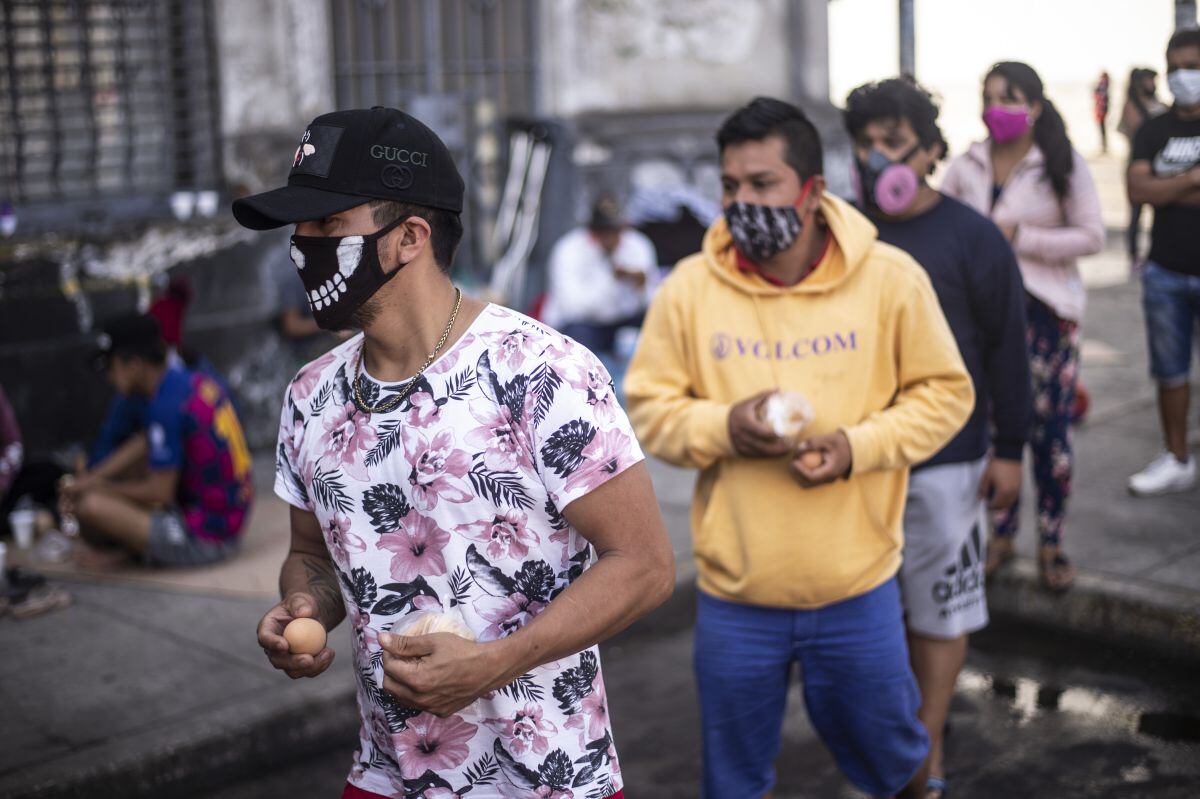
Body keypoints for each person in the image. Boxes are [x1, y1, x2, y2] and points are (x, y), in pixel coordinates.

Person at [232, 106, 674, 798]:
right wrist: (304, 608)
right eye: (299, 228)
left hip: (551, 782)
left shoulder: (542, 371)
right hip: (386, 776)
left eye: (325, 226)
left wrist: (495, 662)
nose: (301, 246)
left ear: (410, 236)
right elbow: (315, 555)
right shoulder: (310, 396)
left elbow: (645, 564)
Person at [624, 96, 975, 799]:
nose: (740, 201)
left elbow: (946, 394)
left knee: (896, 759)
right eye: (729, 186)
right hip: (736, 596)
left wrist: (857, 447)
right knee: (734, 779)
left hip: (859, 588)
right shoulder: (690, 288)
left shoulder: (890, 278)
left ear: (812, 191)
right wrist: (726, 427)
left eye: (761, 185)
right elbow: (649, 410)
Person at [844, 78, 1033, 799]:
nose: (876, 155)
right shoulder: (842, 232)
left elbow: (1006, 350)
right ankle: (890, 756)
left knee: (939, 614)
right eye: (866, 140)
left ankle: (923, 763)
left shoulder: (973, 236)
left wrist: (1010, 448)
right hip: (854, 460)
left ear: (929, 150)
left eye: (892, 140)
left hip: (948, 464)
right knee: (867, 624)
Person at [941, 61, 1104, 592]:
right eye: (988, 97)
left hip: (1044, 316)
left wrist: (1023, 237)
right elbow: (943, 224)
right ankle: (1002, 534)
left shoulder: (1061, 163)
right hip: (982, 314)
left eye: (1007, 97)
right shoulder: (966, 164)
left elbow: (1092, 236)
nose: (995, 109)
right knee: (992, 426)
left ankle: (1051, 541)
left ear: (1034, 106)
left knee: (1050, 431)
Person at [60, 314, 253, 567]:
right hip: (231, 517)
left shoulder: (164, 405)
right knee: (116, 477)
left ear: (134, 366)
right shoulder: (185, 380)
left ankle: (127, 554)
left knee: (90, 506)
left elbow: (159, 492)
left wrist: (97, 488)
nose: (109, 377)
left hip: (208, 537)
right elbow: (145, 442)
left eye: (111, 367)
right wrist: (93, 477)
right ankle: (130, 550)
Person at [1127, 28, 1200, 496]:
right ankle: (1176, 457)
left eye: (1191, 67)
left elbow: (1154, 188)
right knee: (1170, 372)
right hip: (1165, 271)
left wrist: (1167, 187)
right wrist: (1192, 179)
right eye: (1174, 68)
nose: (1181, 77)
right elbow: (1137, 190)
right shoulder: (1153, 128)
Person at [541, 194, 657, 356]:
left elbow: (652, 303)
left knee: (656, 331)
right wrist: (611, 280)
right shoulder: (569, 250)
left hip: (623, 322)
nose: (610, 237)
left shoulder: (638, 246)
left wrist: (642, 285)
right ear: (592, 231)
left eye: (615, 230)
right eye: (603, 231)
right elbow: (572, 308)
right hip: (583, 325)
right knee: (578, 342)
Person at [1119, 67, 1168, 264]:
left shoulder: (1160, 104)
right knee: (1136, 213)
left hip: (1163, 166)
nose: (1151, 84)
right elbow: (1137, 133)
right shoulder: (1132, 106)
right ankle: (1133, 256)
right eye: (1147, 80)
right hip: (1139, 165)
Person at [1095, 70, 1112, 154]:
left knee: (1102, 128)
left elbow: (1100, 98)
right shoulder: (1104, 85)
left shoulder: (1103, 85)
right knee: (1102, 128)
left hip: (1101, 110)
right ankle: (1104, 146)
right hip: (1102, 110)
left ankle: (1104, 146)